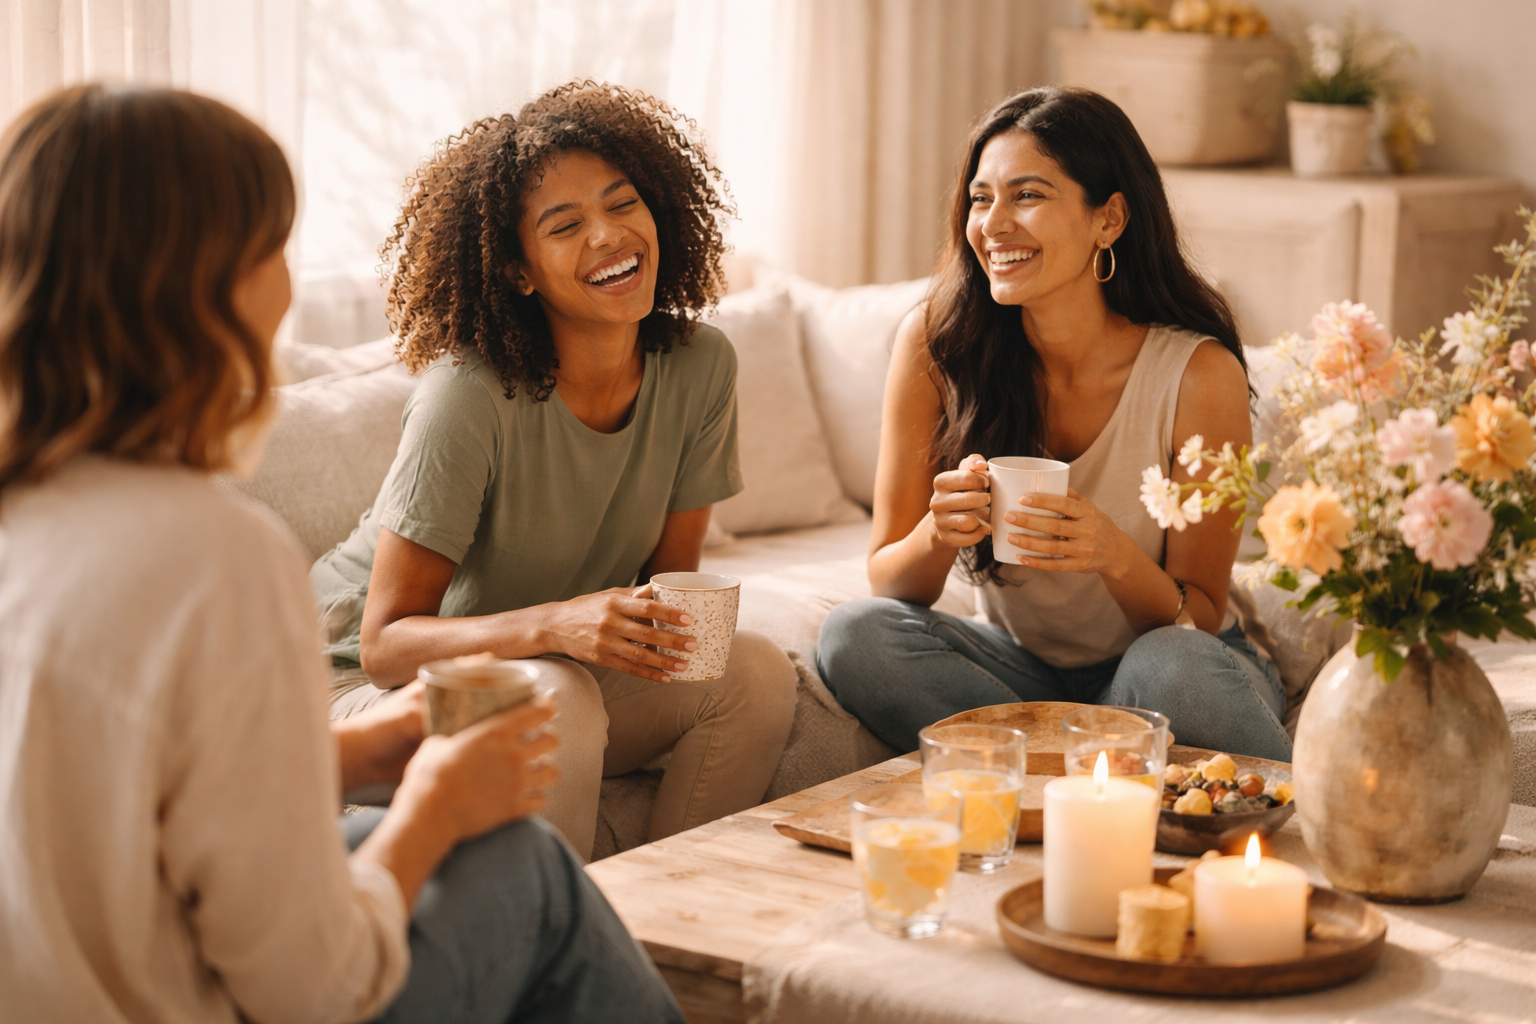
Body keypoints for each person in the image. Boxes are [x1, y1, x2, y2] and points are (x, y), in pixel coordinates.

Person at [0, 84, 683, 1024]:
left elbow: (93, 789)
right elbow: (317, 990)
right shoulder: (214, 558)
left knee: (368, 829)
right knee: (518, 864)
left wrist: (352, 746)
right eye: (272, 245)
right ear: (205, 286)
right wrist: (435, 805)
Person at [309, 82, 796, 858]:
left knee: (757, 672)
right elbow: (386, 644)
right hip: (356, 693)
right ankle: (555, 946)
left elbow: (672, 598)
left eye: (623, 204)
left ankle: (663, 925)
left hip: (540, 668)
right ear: (519, 272)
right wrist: (558, 624)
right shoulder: (467, 397)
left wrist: (624, 630)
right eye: (564, 225)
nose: (608, 235)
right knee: (555, 695)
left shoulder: (701, 365)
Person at [816, 87, 1291, 762]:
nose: (994, 223)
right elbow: (891, 582)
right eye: (981, 198)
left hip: (1166, 662)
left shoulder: (1198, 375)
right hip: (1022, 668)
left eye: (1028, 196)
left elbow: (1201, 612)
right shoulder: (933, 347)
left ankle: (1034, 770)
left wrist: (1112, 554)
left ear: (1109, 219)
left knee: (1171, 667)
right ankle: (1088, 771)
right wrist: (936, 533)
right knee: (854, 635)